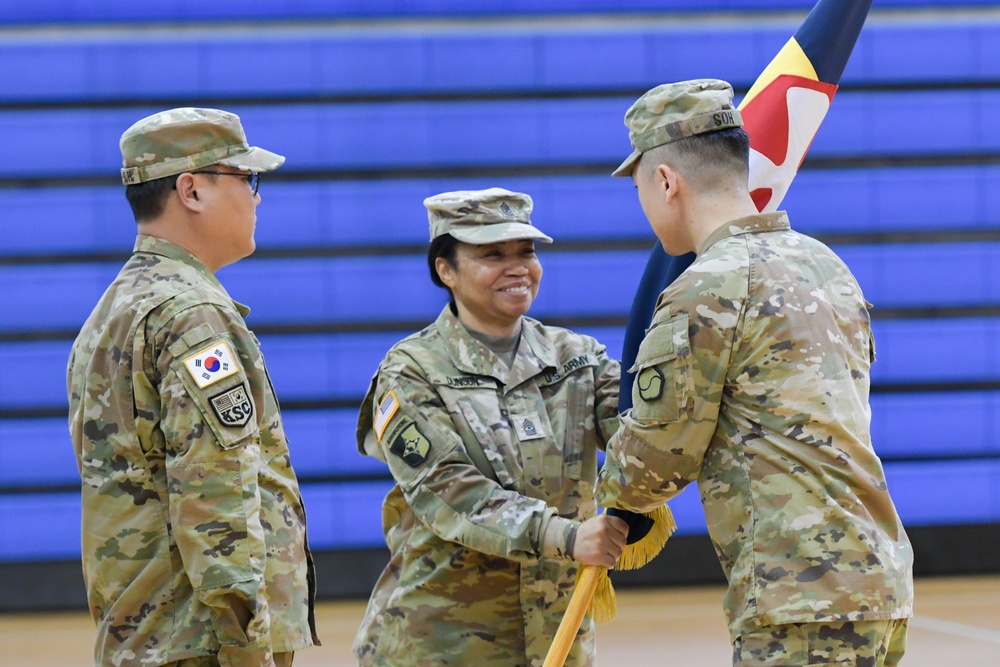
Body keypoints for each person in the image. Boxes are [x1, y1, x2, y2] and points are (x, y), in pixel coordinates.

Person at [595, 80, 914, 666]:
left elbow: (655, 462)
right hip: (877, 575)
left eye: (639, 185)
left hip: (799, 594)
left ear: (666, 182)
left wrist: (611, 496)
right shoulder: (824, 264)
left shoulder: (706, 290)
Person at [67, 108, 319, 667]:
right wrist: (246, 646)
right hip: (204, 642)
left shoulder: (114, 310)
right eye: (246, 180)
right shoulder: (193, 316)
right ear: (192, 190)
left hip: (150, 632)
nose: (256, 198)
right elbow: (215, 497)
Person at [353, 187, 629, 666]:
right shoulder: (412, 371)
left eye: (527, 251)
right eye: (492, 254)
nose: (518, 266)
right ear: (446, 270)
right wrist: (567, 537)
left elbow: (638, 430)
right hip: (443, 643)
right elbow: (449, 491)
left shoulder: (577, 357)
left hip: (557, 636)